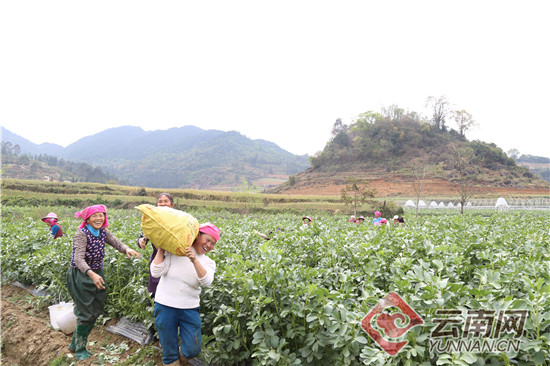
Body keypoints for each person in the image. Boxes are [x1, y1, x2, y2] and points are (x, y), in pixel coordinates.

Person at [66, 204, 141, 360]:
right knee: (85, 312)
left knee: (97, 309)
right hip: (81, 274)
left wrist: (127, 249)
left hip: (97, 273)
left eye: (101, 215)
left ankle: (74, 344)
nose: (99, 218)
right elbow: (78, 259)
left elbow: (116, 243)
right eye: (95, 216)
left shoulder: (103, 232)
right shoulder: (82, 234)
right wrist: (91, 274)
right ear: (87, 219)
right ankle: (80, 349)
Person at [151, 222, 220, 366]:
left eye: (213, 243)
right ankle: (171, 362)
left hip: (189, 307)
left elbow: (206, 281)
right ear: (197, 236)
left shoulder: (208, 262)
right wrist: (162, 248)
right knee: (169, 350)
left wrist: (194, 260)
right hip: (165, 305)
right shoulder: (175, 252)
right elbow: (156, 272)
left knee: (192, 349)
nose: (209, 245)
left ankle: (179, 361)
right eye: (207, 240)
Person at [137, 192, 175, 298]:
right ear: (156, 204)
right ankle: (154, 311)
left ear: (172, 205)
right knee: (155, 288)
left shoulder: (178, 219)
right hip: (157, 258)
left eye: (165, 201)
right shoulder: (152, 220)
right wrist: (141, 240)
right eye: (160, 201)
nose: (162, 204)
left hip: (174, 259)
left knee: (171, 288)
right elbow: (143, 236)